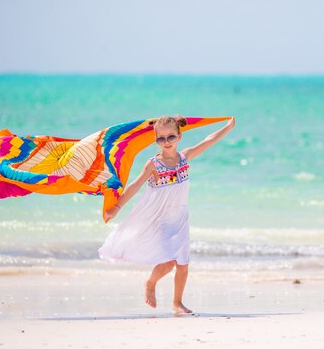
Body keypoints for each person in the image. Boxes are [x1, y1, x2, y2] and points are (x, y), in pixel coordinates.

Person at [98, 114, 235, 314]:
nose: (166, 142)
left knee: (183, 264)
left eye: (171, 137)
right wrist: (116, 208)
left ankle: (177, 303)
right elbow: (135, 185)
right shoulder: (153, 164)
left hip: (180, 217)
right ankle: (151, 283)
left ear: (179, 137)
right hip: (159, 218)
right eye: (161, 139)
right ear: (156, 141)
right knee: (169, 261)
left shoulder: (185, 157)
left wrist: (228, 128)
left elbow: (209, 140)